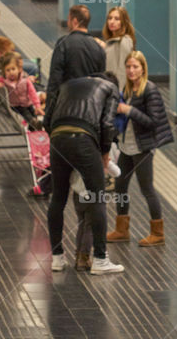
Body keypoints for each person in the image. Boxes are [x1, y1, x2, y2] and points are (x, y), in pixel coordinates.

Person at [43, 71, 124, 275]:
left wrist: (59, 140)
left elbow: (47, 120)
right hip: (84, 138)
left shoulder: (67, 83)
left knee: (58, 198)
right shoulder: (111, 89)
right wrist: (104, 152)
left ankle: (57, 258)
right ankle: (100, 259)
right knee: (97, 198)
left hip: (57, 137)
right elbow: (107, 123)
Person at [106, 51, 173, 246]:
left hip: (143, 148)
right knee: (120, 186)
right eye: (128, 67)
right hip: (127, 146)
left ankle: (158, 233)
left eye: (135, 66)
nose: (131, 70)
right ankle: (121, 229)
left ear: (143, 68)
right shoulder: (127, 90)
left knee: (147, 189)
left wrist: (130, 111)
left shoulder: (149, 90)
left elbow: (153, 122)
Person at [45, 5, 106, 114]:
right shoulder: (98, 48)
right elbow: (101, 81)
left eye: (68, 19)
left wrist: (49, 111)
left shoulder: (63, 43)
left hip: (67, 106)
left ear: (74, 21)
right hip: (89, 108)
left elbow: (55, 78)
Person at [0, 52, 44, 126]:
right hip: (16, 106)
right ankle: (33, 123)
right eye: (8, 70)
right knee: (27, 115)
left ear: (19, 69)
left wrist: (37, 106)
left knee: (33, 113)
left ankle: (34, 126)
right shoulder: (4, 80)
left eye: (13, 69)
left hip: (28, 103)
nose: (11, 72)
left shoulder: (25, 80)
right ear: (4, 72)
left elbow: (32, 93)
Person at [101, 6, 136, 90]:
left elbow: (123, 71)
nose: (112, 22)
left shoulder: (125, 41)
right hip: (108, 85)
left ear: (123, 22)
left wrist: (119, 92)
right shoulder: (111, 41)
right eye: (110, 18)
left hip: (116, 89)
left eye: (117, 19)